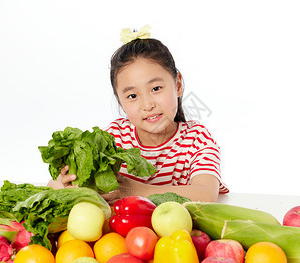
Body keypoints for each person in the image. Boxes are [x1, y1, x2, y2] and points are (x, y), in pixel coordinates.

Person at [49, 25, 228, 202]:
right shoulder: (112, 138)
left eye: (156, 88)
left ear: (178, 85)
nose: (148, 104)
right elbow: (52, 186)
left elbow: (206, 195)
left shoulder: (197, 139)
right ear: (120, 100)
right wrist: (65, 183)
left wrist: (133, 190)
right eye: (132, 96)